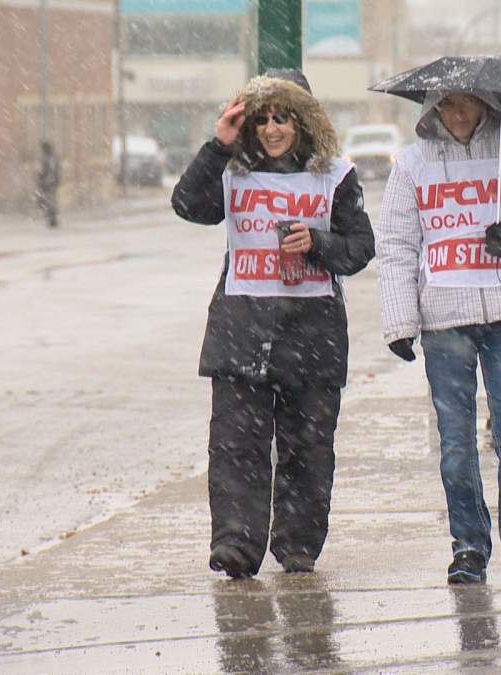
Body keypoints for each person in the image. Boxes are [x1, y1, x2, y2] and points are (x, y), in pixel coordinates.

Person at [170, 72, 375, 579]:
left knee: (308, 447)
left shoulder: (335, 176)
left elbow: (360, 249)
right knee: (236, 446)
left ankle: (298, 544)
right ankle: (236, 544)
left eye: (281, 117)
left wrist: (318, 243)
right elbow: (188, 206)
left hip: (313, 334)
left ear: (302, 120)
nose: (271, 130)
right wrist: (218, 144)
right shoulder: (231, 171)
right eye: (260, 120)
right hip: (241, 332)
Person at [375, 89, 501, 584]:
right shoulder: (413, 164)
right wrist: (400, 322)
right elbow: (397, 243)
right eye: (445, 106)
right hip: (445, 318)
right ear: (433, 111)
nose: (456, 114)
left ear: (485, 105)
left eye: (465, 103)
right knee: (456, 444)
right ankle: (468, 546)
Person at [37, 142, 60, 228]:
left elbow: (50, 170)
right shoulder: (49, 157)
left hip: (49, 182)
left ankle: (52, 219)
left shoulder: (50, 158)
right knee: (49, 200)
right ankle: (51, 218)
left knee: (50, 200)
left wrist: (45, 179)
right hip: (49, 182)